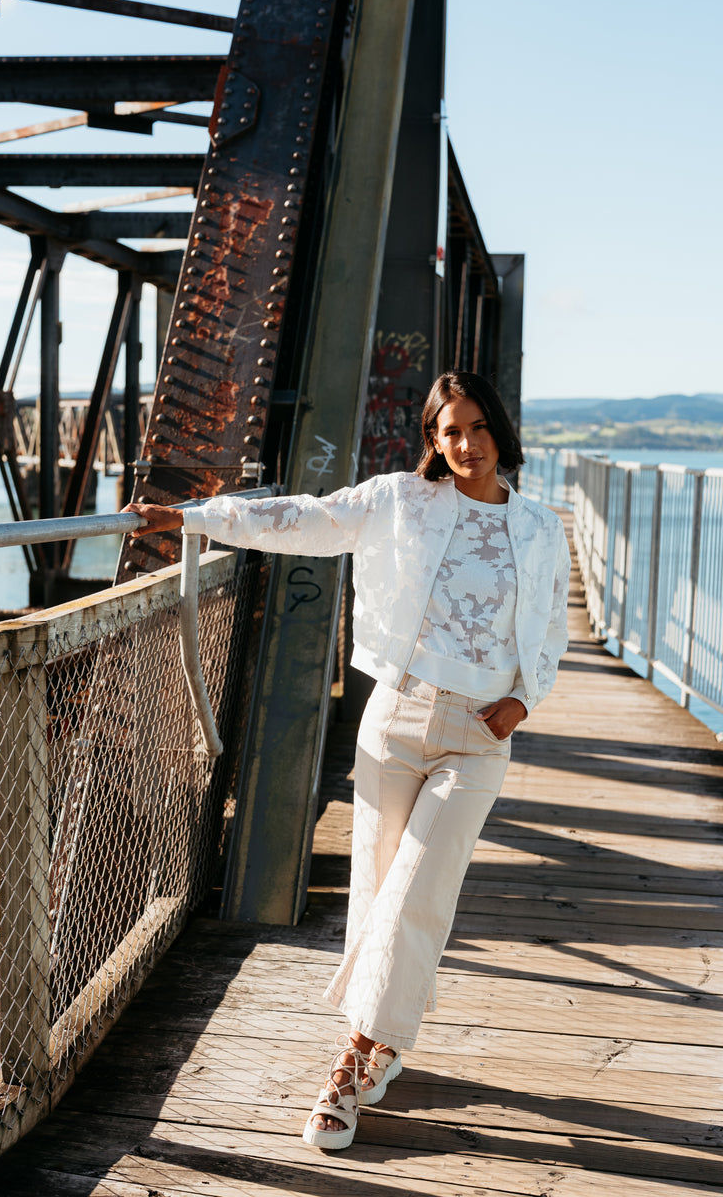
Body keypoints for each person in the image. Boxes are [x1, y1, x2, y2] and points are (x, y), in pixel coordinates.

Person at [123, 371, 571, 1152]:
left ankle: (352, 1062)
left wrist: (524, 702)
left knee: (417, 893)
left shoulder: (539, 527)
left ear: (500, 428)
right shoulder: (401, 501)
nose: (464, 445)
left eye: (476, 427)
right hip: (394, 721)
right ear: (431, 440)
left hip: (479, 733)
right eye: (447, 431)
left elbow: (554, 628)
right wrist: (197, 517)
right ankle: (385, 1042)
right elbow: (304, 517)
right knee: (375, 892)